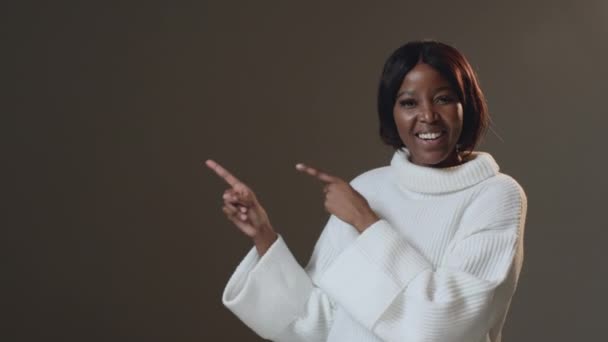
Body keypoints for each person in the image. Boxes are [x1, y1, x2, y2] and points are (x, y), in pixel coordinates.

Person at [205, 40, 527, 342]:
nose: (427, 116)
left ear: (466, 105)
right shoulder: (367, 187)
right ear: (392, 112)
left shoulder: (495, 195)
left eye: (443, 98)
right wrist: (263, 235)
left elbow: (446, 324)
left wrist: (366, 221)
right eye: (409, 103)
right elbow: (317, 322)